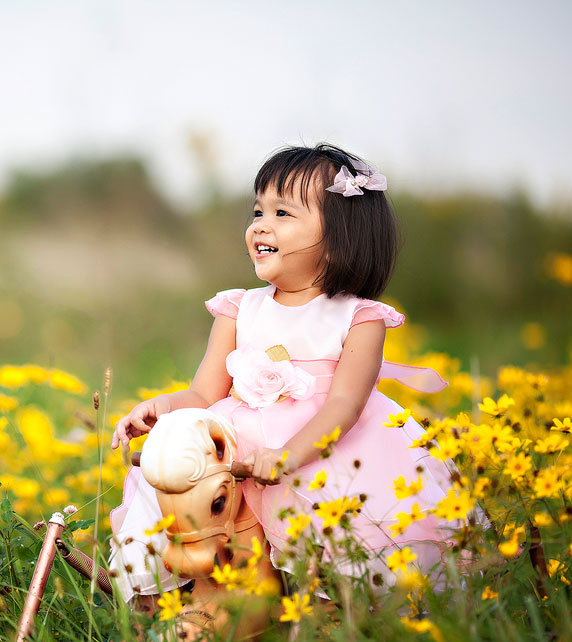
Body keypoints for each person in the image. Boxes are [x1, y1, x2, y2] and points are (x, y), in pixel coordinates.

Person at [108, 143, 466, 601]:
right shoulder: (239, 308)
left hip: (321, 455)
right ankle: (199, 611)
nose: (261, 224)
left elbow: (346, 404)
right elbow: (203, 395)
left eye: (283, 213)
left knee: (341, 556)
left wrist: (289, 455)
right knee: (205, 521)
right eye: (258, 210)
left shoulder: (360, 316)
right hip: (243, 452)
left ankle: (330, 623)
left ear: (341, 236)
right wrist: (162, 410)